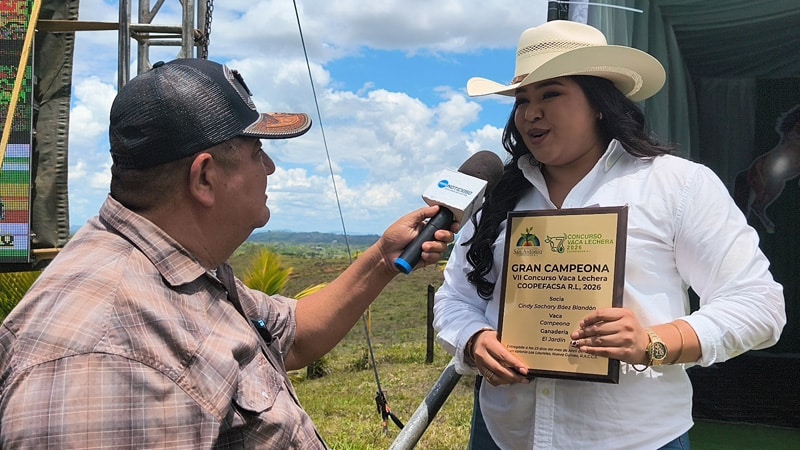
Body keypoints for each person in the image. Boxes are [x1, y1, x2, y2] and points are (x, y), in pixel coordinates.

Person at [0, 58, 455, 448]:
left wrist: (382, 257)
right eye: (258, 152)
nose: (271, 168)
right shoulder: (107, 363)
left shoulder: (177, 265)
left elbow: (292, 334)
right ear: (204, 177)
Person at [433, 20, 786, 450]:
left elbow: (759, 305)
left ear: (600, 102)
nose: (530, 113)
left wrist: (655, 343)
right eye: (521, 99)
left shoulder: (677, 185)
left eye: (551, 93)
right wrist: (474, 339)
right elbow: (454, 298)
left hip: (634, 439)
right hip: (502, 434)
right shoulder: (497, 194)